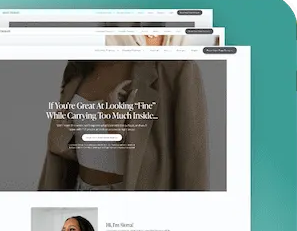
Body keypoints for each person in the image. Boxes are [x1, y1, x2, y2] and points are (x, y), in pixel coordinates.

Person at [38, 57, 209, 191]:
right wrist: (62, 148)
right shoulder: (78, 67)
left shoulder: (175, 69)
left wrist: (120, 135)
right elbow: (89, 152)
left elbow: (193, 172)